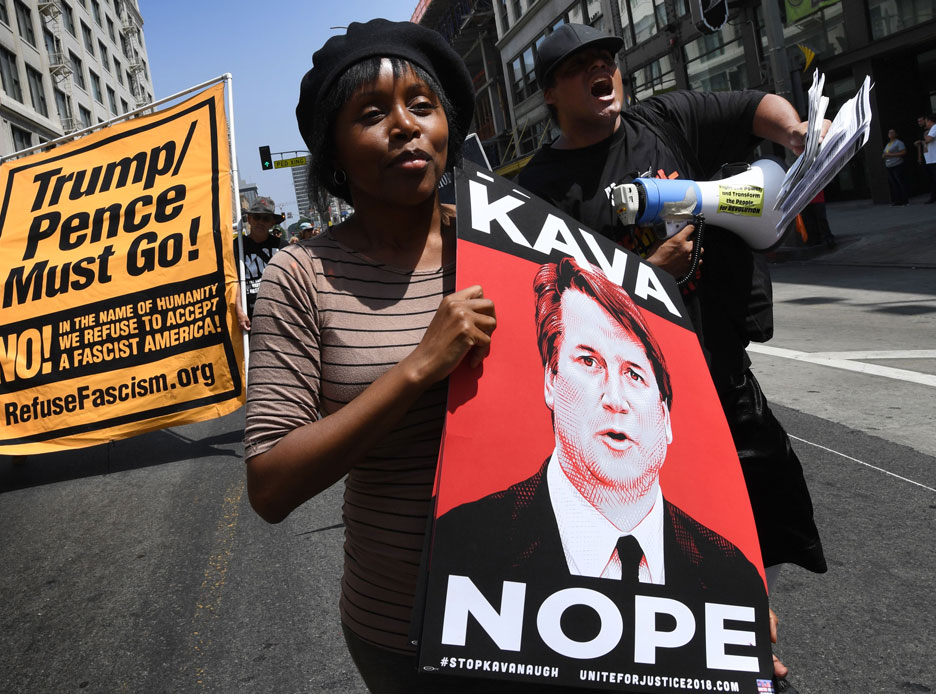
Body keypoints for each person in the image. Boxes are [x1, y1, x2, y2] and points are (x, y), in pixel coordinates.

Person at [245, 19, 619, 694]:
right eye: (371, 113)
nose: (405, 126)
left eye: (422, 106)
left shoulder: (520, 244)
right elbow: (271, 485)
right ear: (334, 148)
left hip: (559, 611)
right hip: (406, 630)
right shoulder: (299, 277)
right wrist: (418, 368)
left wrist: (704, 605)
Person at [516, 23, 826, 685]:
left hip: (714, 358)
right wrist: (648, 272)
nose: (602, 72)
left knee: (749, 493)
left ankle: (747, 627)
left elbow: (751, 107)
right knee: (664, 516)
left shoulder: (663, 116)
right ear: (550, 94)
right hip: (629, 389)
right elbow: (556, 303)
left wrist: (793, 132)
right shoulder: (540, 187)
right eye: (581, 68)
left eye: (606, 61)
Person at [435, 259, 763, 599]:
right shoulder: (463, 543)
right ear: (551, 380)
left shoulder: (732, 574)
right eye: (589, 361)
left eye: (635, 373)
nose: (614, 398)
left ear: (665, 416)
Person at [238, 196, 287, 330]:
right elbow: (232, 282)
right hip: (248, 319)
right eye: (257, 217)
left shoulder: (283, 246)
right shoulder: (236, 247)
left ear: (272, 223)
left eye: (266, 218)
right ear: (249, 220)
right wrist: (239, 310)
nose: (261, 222)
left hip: (280, 314)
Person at [882, 128, 909, 206]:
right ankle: (898, 200)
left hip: (897, 164)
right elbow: (885, 153)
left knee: (900, 182)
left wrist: (890, 155)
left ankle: (905, 200)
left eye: (892, 132)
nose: (890, 134)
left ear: (896, 134)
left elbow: (903, 152)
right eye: (889, 133)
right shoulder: (888, 144)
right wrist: (884, 155)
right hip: (889, 165)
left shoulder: (899, 143)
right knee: (894, 184)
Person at [915, 114, 936, 203]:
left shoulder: (934, 127)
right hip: (930, 158)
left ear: (930, 121)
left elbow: (928, 139)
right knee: (932, 179)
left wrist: (922, 140)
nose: (925, 123)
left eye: (926, 121)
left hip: (934, 158)